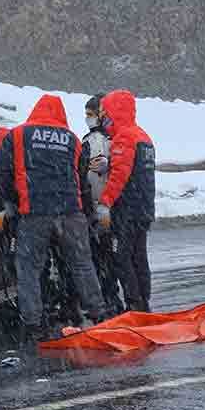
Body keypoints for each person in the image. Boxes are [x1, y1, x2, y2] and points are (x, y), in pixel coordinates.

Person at [0, 94, 108, 342]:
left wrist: (10, 204)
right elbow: (83, 181)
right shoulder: (72, 139)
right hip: (71, 211)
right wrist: (88, 215)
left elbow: (1, 174)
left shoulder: (18, 135)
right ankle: (99, 314)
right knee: (82, 264)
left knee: (29, 270)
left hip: (34, 213)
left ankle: (33, 324)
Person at [96, 89, 156, 312]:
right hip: (144, 208)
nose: (103, 119)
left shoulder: (123, 138)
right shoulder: (143, 136)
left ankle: (133, 303)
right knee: (139, 256)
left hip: (127, 210)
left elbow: (120, 176)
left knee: (122, 257)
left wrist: (105, 202)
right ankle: (144, 301)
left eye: (105, 114)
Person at [83, 94, 125, 315]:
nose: (88, 119)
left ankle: (108, 302)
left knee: (103, 258)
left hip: (101, 207)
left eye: (91, 114)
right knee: (109, 258)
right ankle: (113, 301)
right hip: (107, 206)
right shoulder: (112, 138)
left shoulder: (97, 141)